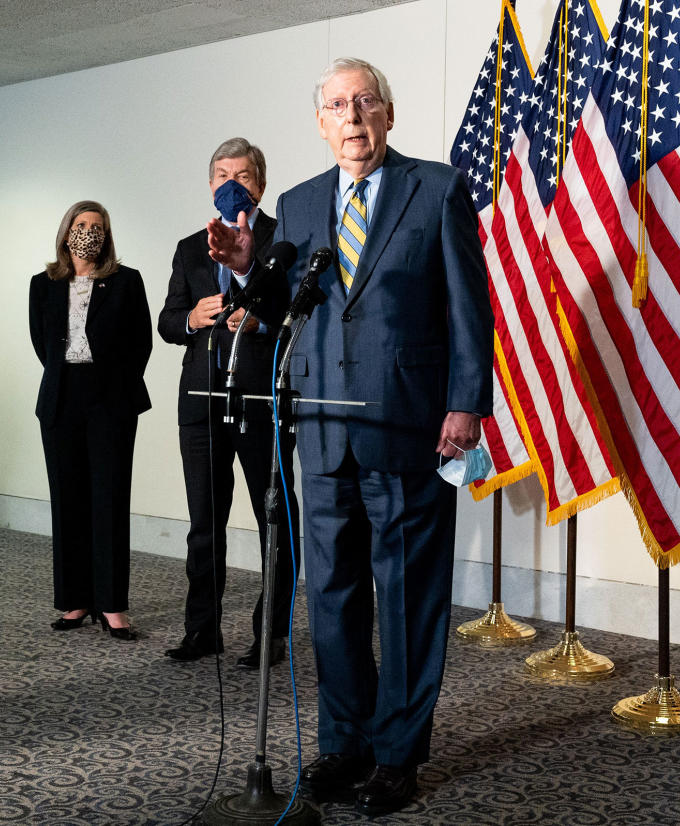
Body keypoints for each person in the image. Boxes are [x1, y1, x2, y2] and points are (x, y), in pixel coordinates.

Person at [210, 57, 492, 817]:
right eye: (337, 105)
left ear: (388, 115)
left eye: (365, 101)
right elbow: (279, 309)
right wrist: (242, 271)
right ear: (320, 123)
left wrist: (465, 405)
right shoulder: (299, 206)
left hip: (408, 424)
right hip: (321, 427)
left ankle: (399, 754)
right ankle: (346, 741)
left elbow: (470, 305)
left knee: (405, 596)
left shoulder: (434, 189)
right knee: (331, 594)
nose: (353, 116)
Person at [158, 137, 299, 666]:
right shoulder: (190, 247)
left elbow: (304, 316)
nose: (230, 184)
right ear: (209, 183)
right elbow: (168, 322)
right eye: (221, 174)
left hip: (261, 397)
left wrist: (260, 324)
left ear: (259, 183)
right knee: (203, 522)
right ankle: (201, 630)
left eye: (241, 175)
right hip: (200, 400)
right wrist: (192, 318)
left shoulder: (284, 239)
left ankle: (272, 635)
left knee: (275, 521)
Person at [29, 201, 152, 641]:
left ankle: (112, 604)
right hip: (61, 399)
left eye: (97, 227)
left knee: (109, 500)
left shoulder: (126, 281)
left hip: (111, 402)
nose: (88, 233)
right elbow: (42, 344)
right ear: (66, 233)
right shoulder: (42, 284)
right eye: (81, 225)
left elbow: (141, 344)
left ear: (107, 235)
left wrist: (110, 384)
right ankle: (75, 600)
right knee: (68, 501)